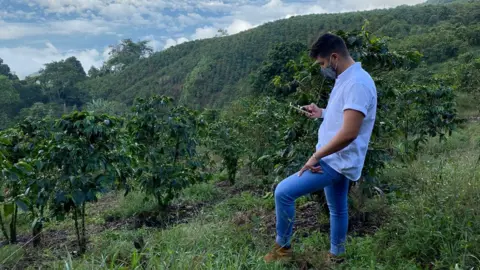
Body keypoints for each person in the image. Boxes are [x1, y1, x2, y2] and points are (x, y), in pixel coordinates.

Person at [264, 33, 377, 263]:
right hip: (336, 157)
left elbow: (349, 133)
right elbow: (344, 117)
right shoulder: (346, 78)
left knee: (283, 193)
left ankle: (282, 249)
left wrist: (316, 156)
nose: (322, 68)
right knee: (337, 208)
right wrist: (322, 113)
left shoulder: (357, 84)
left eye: (323, 63)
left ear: (334, 57)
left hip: (335, 160)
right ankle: (337, 256)